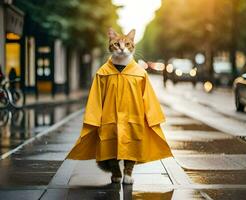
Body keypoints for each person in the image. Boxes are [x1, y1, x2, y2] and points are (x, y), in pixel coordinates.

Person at [66, 28, 173, 184]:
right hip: (109, 119)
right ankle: (115, 172)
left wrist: (152, 118)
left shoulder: (140, 73)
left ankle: (128, 172)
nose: (122, 48)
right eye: (117, 44)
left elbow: (149, 98)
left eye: (127, 44)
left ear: (132, 46)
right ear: (110, 44)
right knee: (109, 144)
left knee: (133, 144)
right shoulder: (102, 73)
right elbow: (95, 99)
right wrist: (93, 119)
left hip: (133, 118)